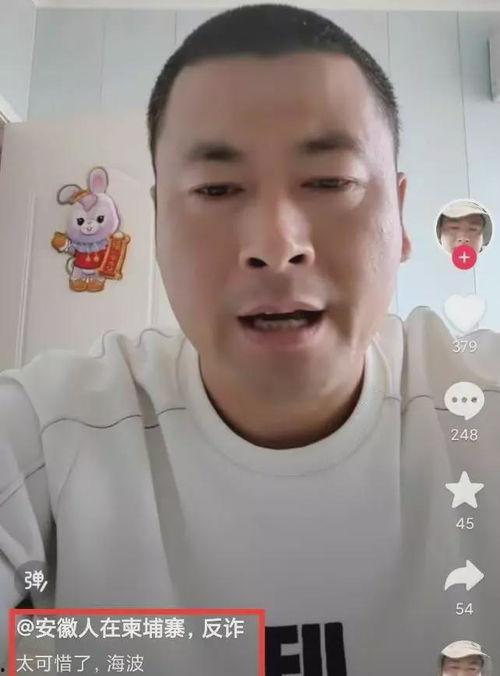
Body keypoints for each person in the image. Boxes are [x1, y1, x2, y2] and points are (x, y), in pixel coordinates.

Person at [1, 4, 500, 675]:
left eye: (330, 181)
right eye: (216, 188)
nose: (275, 243)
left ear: (402, 216)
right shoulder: (43, 435)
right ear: (159, 224)